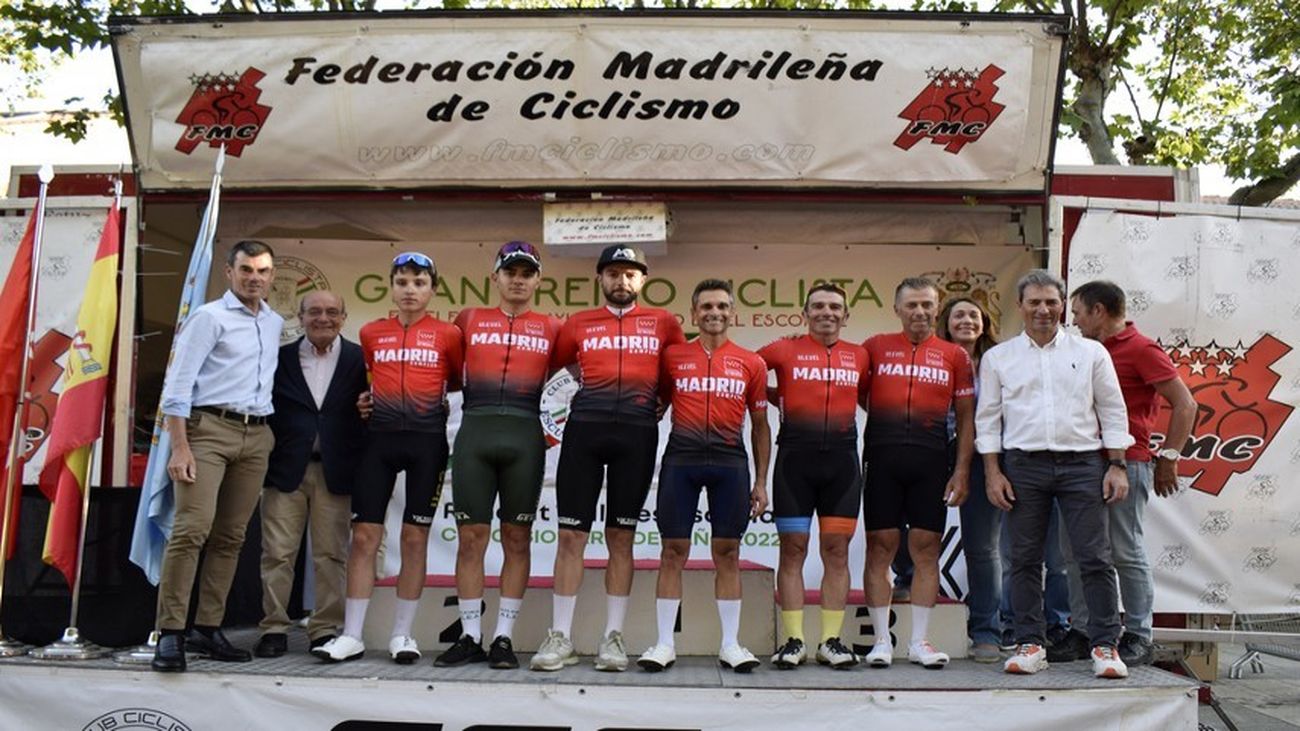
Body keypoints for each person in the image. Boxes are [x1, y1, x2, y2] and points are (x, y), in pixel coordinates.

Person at [530, 245, 685, 672]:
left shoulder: (664, 323)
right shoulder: (577, 323)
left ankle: (613, 637)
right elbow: (557, 374)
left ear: (643, 280)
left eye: (630, 274)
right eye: (613, 273)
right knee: (570, 537)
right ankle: (560, 636)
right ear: (599, 278)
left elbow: (677, 372)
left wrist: (662, 402)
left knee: (621, 537)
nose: (622, 281)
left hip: (636, 434)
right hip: (584, 432)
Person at [975, 269, 1134, 679]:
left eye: (1051, 302)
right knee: (1024, 559)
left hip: (1083, 464)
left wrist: (1117, 465)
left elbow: (1112, 409)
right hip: (1022, 465)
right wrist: (992, 473)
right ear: (1020, 306)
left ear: (1063, 305)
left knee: (1094, 557)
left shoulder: (1092, 352)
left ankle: (1105, 645)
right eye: (1034, 302)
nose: (1043, 310)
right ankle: (1030, 643)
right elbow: (987, 419)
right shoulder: (998, 358)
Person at [314, 252, 463, 665]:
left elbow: (455, 382)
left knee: (414, 538)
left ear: (432, 290)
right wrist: (366, 401)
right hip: (378, 443)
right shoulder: (371, 333)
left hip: (427, 443)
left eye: (419, 283)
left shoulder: (449, 335)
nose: (410, 290)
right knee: (364, 537)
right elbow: (368, 380)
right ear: (392, 288)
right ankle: (352, 635)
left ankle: (402, 634)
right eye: (402, 282)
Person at [152, 240, 283, 672]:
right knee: (191, 531)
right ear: (229, 272)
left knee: (231, 537)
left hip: (257, 435)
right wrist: (180, 447)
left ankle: (207, 628)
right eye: (246, 270)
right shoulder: (208, 317)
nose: (254, 278)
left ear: (272, 276)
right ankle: (170, 632)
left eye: (262, 271)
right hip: (207, 430)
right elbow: (176, 387)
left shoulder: (273, 322)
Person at [434, 242, 561, 670]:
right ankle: (470, 635)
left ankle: (503, 637)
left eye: (527, 273)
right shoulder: (467, 319)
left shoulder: (552, 327)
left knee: (517, 537)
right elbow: (447, 375)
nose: (518, 280)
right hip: (476, 433)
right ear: (495, 278)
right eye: (511, 272)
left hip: (525, 436)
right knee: (471, 538)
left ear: (538, 281)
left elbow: (569, 379)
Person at [636, 279, 771, 674]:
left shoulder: (751, 362)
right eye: (707, 307)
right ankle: (664, 644)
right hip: (682, 460)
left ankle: (730, 644)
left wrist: (761, 482)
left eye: (722, 306)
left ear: (732, 314)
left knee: (728, 552)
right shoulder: (672, 357)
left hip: (731, 462)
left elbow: (761, 426)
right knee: (672, 551)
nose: (715, 313)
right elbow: (657, 402)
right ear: (693, 314)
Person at [1065, 280, 1196, 666]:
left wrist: (1169, 458)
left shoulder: (1141, 349)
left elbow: (1185, 404)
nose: (1074, 321)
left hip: (1129, 462)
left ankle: (1139, 634)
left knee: (1125, 551)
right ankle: (1083, 631)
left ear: (1098, 311)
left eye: (1078, 313)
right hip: (1080, 463)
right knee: (1077, 552)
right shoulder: (1084, 350)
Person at [859, 278, 975, 670]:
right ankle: (880, 641)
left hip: (931, 460)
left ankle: (919, 642)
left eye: (927, 305)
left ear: (937, 309)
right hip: (882, 458)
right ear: (897, 309)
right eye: (912, 305)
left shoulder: (954, 355)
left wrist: (961, 470)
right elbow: (858, 393)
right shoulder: (875, 347)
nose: (920, 312)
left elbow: (966, 417)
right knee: (880, 547)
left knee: (926, 549)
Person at [253, 290, 368, 659]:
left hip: (336, 471)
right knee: (277, 554)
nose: (323, 318)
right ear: (300, 317)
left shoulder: (360, 359)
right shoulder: (278, 357)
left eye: (332, 312)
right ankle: (273, 628)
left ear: (343, 317)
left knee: (331, 555)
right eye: (314, 311)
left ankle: (324, 629)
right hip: (285, 469)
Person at [757, 283, 866, 670]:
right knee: (793, 549)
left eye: (835, 307)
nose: (827, 313)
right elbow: (745, 370)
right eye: (818, 306)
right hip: (794, 463)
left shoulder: (860, 355)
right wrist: (779, 397)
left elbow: (870, 395)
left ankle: (830, 641)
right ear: (805, 314)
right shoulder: (783, 349)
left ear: (845, 316)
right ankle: (794, 641)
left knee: (836, 551)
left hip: (842, 464)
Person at [936, 295, 1003, 662]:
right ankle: (908, 587)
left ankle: (986, 631)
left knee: (983, 548)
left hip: (983, 457)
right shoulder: (933, 357)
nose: (966, 321)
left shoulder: (1000, 360)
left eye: (973, 315)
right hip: (935, 448)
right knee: (912, 531)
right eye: (958, 315)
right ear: (946, 323)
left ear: (984, 323)